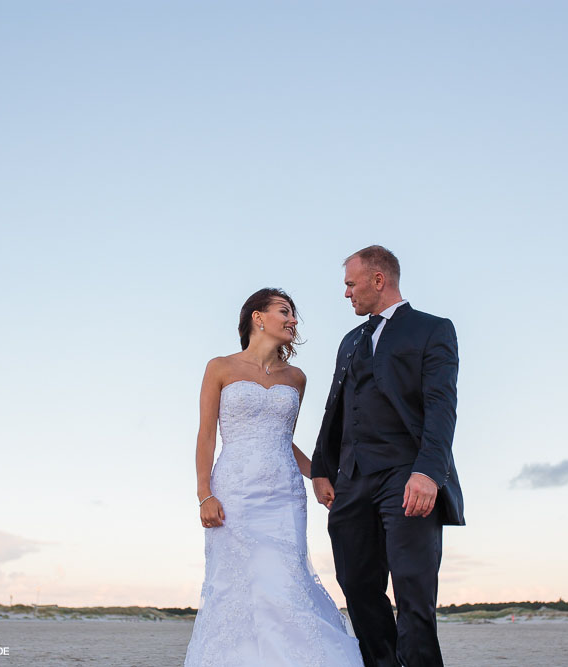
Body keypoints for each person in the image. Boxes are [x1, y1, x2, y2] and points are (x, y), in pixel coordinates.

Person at [185, 288, 363, 667]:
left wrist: (319, 475)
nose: (293, 320)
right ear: (258, 317)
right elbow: (206, 436)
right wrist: (204, 494)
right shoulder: (220, 367)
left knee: (285, 584)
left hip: (284, 496)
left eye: (294, 314)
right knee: (236, 588)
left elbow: (286, 441)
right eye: (285, 311)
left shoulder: (296, 377)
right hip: (233, 493)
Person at [311, 245, 464, 667]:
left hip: (407, 475)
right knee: (357, 585)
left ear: (378, 279)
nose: (346, 294)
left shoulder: (432, 329)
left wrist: (429, 474)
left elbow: (441, 407)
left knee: (413, 592)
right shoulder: (350, 340)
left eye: (350, 283)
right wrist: (322, 469)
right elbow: (336, 407)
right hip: (352, 480)